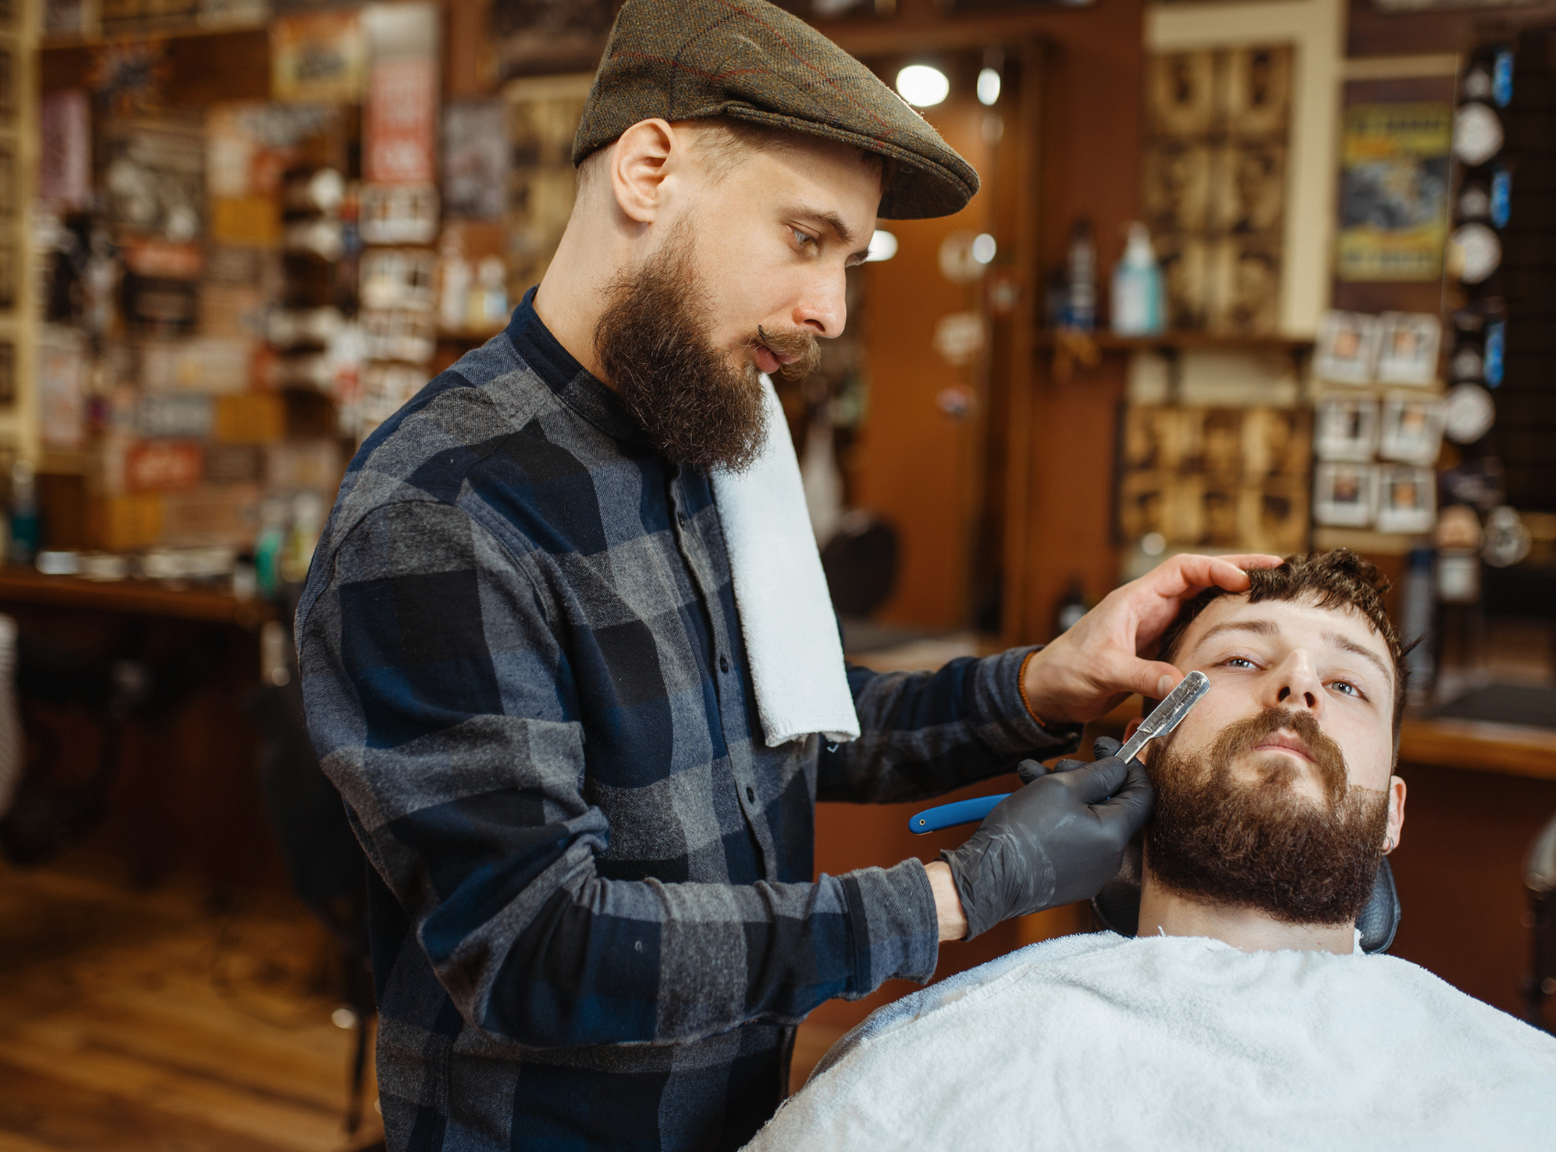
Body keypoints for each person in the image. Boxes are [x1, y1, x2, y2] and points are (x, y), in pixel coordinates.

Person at [296, 2, 1275, 1146]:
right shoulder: (442, 511)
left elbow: (791, 722)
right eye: (804, 240)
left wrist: (1033, 690)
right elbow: (537, 950)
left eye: (848, 261)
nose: (830, 310)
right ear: (647, 169)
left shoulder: (709, 434)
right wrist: (955, 897)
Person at [747, 551, 1556, 1151]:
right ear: (1138, 753)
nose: (1297, 687)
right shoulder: (929, 1066)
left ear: (1393, 813)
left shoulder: (1541, 1098)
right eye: (1241, 660)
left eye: (1350, 685)